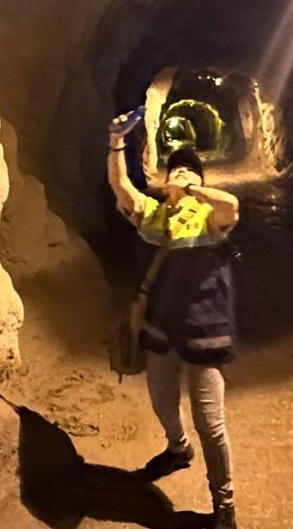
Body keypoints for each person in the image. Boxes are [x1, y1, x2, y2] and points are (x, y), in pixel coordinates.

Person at [107, 110, 240, 529]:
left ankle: (225, 507)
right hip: (161, 329)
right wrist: (116, 143)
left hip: (204, 331)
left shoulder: (209, 217)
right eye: (176, 170)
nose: (181, 175)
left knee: (211, 423)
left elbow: (232, 205)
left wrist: (193, 189)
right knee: (162, 401)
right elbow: (122, 188)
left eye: (190, 170)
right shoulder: (153, 214)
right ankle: (177, 448)